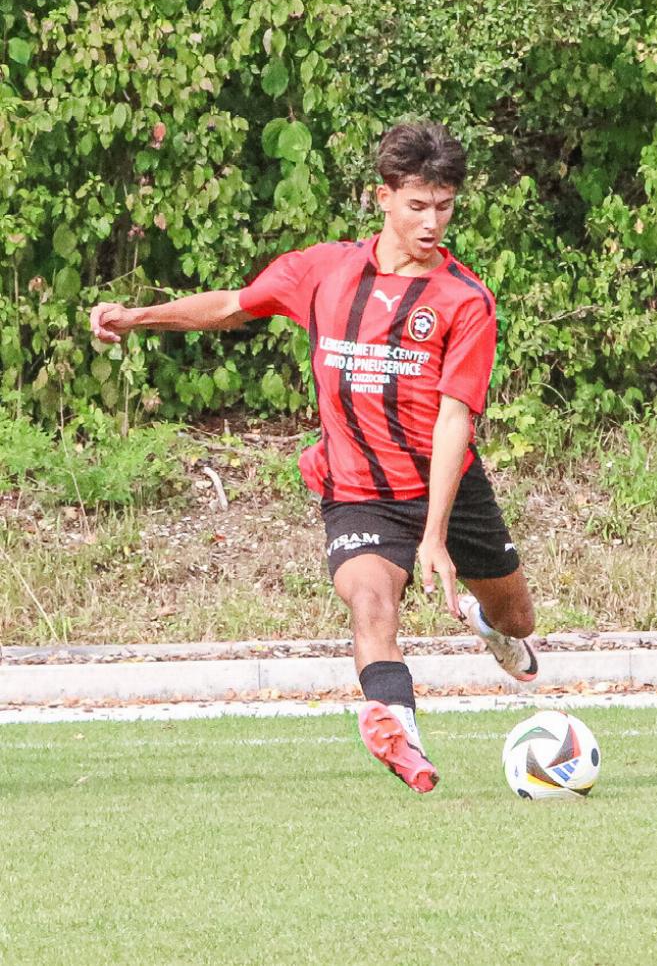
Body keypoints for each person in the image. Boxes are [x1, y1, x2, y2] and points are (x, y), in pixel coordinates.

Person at [90, 121, 537, 794]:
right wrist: (137, 318)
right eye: (417, 205)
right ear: (380, 198)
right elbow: (234, 306)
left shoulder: (464, 300)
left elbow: (454, 419)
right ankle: (400, 731)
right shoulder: (324, 271)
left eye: (444, 206)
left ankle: (484, 622)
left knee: (517, 619)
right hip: (356, 485)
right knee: (369, 601)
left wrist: (437, 536)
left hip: (445, 485)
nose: (431, 221)